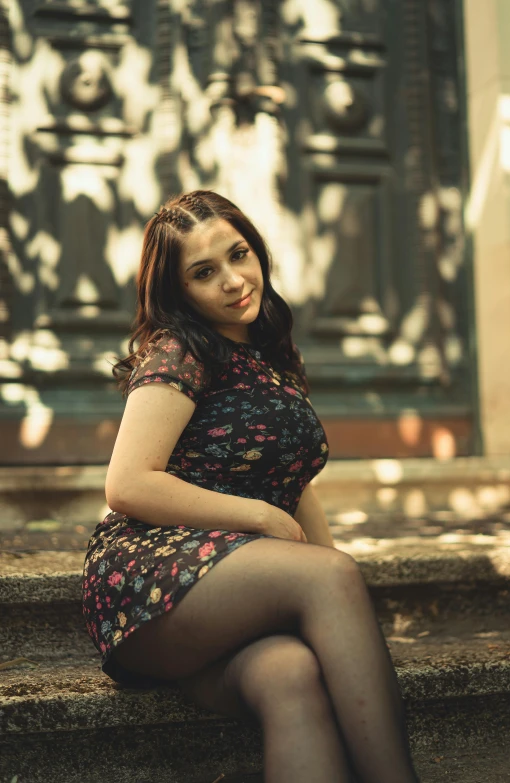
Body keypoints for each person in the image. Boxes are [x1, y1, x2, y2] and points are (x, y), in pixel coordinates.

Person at [82, 190, 420, 783]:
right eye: (204, 272)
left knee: (289, 673)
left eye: (240, 255)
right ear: (177, 290)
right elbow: (128, 483)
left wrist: (326, 586)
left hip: (229, 584)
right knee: (332, 575)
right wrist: (263, 519)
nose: (234, 280)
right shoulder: (178, 349)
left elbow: (295, 484)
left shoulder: (269, 356)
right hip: (151, 580)